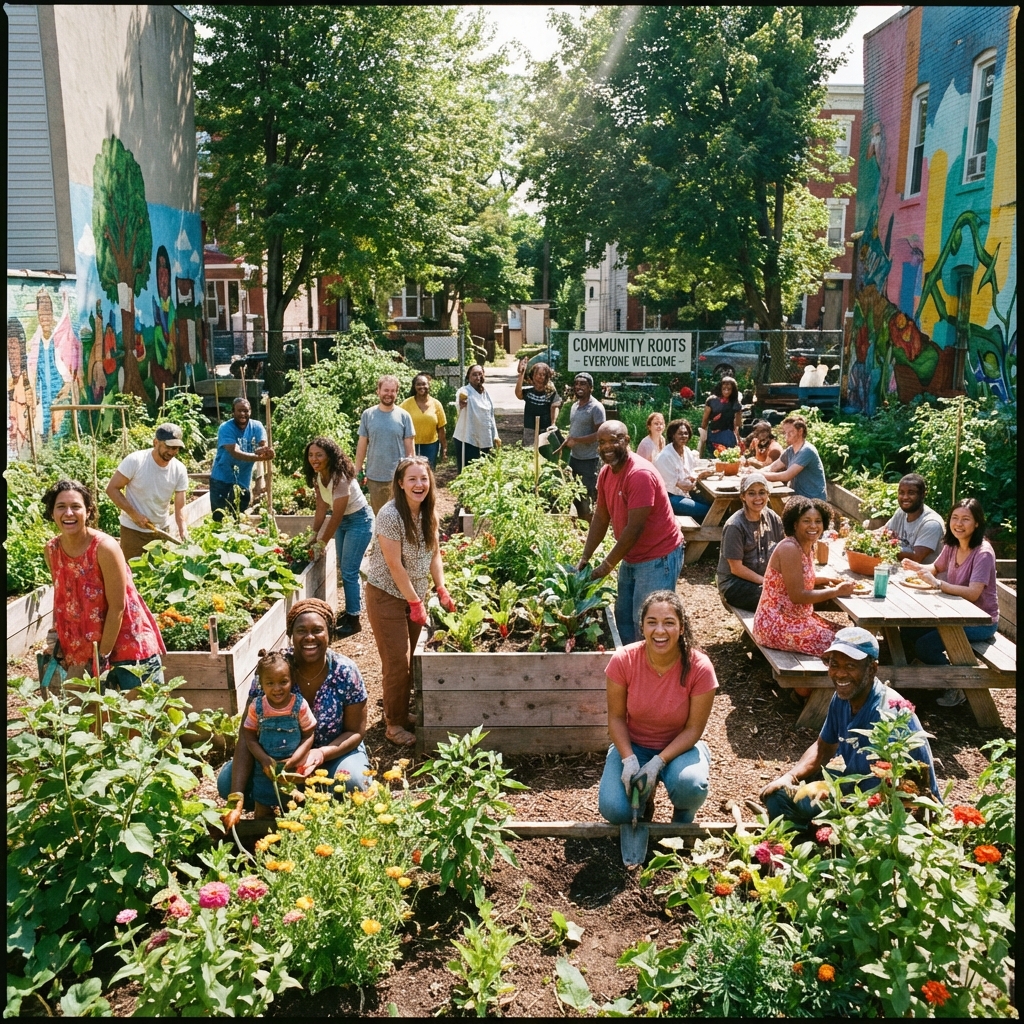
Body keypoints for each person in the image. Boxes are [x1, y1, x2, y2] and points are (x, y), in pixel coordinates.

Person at [760, 627, 939, 827]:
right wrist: (789, 777)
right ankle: (805, 843)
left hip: (891, 814)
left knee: (818, 814)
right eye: (834, 664)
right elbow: (823, 747)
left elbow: (886, 794)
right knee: (778, 796)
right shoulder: (843, 697)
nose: (840, 674)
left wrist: (834, 808)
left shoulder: (887, 715)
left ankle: (821, 840)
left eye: (850, 666)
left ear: (872, 669)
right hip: (852, 790)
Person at [219, 598, 371, 827]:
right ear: (291, 634)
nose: (309, 637)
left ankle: (318, 813)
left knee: (354, 782)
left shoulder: (345, 672)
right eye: (301, 631)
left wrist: (320, 754)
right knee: (227, 782)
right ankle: (283, 803)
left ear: (329, 633)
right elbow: (247, 733)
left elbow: (356, 732)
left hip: (332, 755)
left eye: (317, 630)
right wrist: (236, 796)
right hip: (276, 761)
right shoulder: (273, 670)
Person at [598, 591, 716, 827]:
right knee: (614, 810)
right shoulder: (624, 660)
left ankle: (682, 818)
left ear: (681, 628)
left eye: (669, 623)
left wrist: (658, 762)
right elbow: (617, 718)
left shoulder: (699, 667)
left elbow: (693, 729)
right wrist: (629, 759)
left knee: (690, 787)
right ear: (642, 627)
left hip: (679, 748)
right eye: (652, 622)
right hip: (635, 746)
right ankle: (643, 803)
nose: (660, 631)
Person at [364, 456, 454, 746]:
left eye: (424, 478)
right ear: (400, 484)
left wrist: (440, 588)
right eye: (412, 479)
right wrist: (415, 602)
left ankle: (401, 712)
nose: (419, 484)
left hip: (414, 595)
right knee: (397, 662)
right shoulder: (390, 516)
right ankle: (394, 725)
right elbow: (394, 566)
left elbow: (434, 554)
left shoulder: (429, 512)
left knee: (412, 658)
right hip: (386, 595)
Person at [42, 480, 165, 691]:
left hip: (127, 646)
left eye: (76, 507)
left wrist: (101, 658)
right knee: (93, 721)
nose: (68, 513)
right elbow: (65, 595)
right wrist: (59, 635)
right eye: (61, 507)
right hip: (85, 652)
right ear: (52, 512)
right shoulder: (52, 550)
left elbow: (118, 607)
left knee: (140, 720)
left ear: (88, 512)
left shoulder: (104, 548)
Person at [576, 421, 684, 645]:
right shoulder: (607, 472)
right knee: (624, 619)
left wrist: (606, 566)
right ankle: (632, 670)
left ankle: (657, 673)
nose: (607, 446)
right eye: (602, 442)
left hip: (658, 555)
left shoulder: (639, 474)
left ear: (626, 441)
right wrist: (585, 557)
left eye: (614, 440)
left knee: (649, 621)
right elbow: (600, 517)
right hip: (633, 555)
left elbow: (634, 529)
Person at [901, 498, 999, 707]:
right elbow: (935, 568)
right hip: (954, 612)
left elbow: (973, 593)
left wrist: (938, 585)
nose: (958, 524)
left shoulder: (983, 553)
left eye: (965, 519)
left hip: (981, 622)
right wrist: (915, 566)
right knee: (908, 631)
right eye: (955, 518)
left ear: (977, 523)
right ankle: (929, 674)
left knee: (925, 646)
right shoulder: (953, 544)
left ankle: (957, 685)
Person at [753, 496, 856, 696]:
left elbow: (798, 579)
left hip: (797, 618)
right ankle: (809, 693)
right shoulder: (790, 548)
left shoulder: (807, 545)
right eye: (806, 521)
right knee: (844, 647)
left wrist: (825, 580)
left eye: (818, 521)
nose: (813, 526)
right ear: (795, 523)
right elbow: (798, 595)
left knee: (849, 636)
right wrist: (836, 592)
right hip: (776, 623)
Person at [305, 436, 374, 639]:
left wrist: (322, 542)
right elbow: (321, 508)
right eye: (310, 455)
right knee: (345, 568)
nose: (314, 459)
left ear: (330, 456)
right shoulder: (319, 476)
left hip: (360, 521)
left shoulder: (339, 477)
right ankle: (352, 610)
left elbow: (335, 515)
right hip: (345, 522)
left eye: (319, 455)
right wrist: (313, 534)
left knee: (349, 571)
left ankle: (354, 621)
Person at [242, 650, 317, 817]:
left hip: (293, 768)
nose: (277, 689)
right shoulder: (257, 707)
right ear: (260, 683)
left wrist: (296, 759)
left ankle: (294, 839)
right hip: (265, 768)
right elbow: (249, 736)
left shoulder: (299, 705)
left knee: (296, 807)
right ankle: (262, 837)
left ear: (292, 680)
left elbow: (309, 735)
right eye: (270, 683)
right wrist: (262, 758)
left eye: (283, 682)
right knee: (262, 806)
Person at [106, 423, 190, 560]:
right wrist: (135, 515)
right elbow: (112, 489)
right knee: (132, 574)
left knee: (158, 576)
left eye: (176, 448)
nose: (172, 452)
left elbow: (180, 505)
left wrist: (182, 529)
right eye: (168, 447)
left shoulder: (179, 469)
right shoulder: (136, 461)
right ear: (156, 442)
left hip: (161, 531)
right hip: (133, 531)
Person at [716, 471, 785, 611]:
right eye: (751, 493)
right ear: (743, 497)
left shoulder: (773, 518)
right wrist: (767, 582)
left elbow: (784, 550)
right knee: (776, 601)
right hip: (735, 584)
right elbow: (736, 568)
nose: (758, 498)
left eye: (762, 492)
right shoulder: (735, 525)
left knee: (793, 595)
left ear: (768, 494)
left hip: (762, 579)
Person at [355, 375, 415, 514]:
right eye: (385, 390)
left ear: (396, 393)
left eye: (392, 391)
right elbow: (362, 444)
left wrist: (410, 473)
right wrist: (358, 470)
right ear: (378, 391)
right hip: (375, 476)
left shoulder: (404, 416)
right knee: (379, 515)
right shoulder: (368, 415)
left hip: (398, 477)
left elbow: (410, 451)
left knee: (401, 514)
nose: (389, 394)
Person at [209, 398, 275, 522]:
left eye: (246, 411)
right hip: (221, 478)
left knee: (239, 517)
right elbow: (235, 452)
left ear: (250, 411)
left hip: (242, 480)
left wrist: (265, 452)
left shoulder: (257, 426)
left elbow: (262, 445)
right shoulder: (226, 428)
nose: (243, 414)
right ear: (233, 412)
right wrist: (258, 458)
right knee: (219, 517)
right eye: (239, 411)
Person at [564, 372, 606, 523]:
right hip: (574, 458)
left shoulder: (596, 407)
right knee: (574, 494)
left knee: (586, 499)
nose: (578, 387)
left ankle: (590, 531)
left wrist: (576, 440)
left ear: (591, 388)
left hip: (590, 460)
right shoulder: (575, 406)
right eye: (576, 384)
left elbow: (600, 434)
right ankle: (581, 532)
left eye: (583, 384)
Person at [654, 419, 713, 520]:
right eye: (680, 433)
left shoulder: (687, 451)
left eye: (686, 433)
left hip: (686, 493)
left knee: (713, 503)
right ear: (673, 435)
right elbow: (684, 485)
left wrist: (701, 474)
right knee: (708, 511)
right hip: (669, 498)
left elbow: (692, 472)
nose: (684, 436)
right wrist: (697, 477)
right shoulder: (665, 456)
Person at [762, 415, 828, 501]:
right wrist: (753, 472)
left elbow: (787, 476)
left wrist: (760, 475)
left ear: (800, 431)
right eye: (785, 433)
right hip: (798, 498)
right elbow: (773, 467)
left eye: (790, 432)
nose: (787, 436)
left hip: (813, 501)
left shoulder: (807, 450)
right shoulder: (790, 450)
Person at [883, 473, 945, 564]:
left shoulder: (931, 523)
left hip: (924, 576)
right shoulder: (901, 513)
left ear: (923, 495)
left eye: (911, 493)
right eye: (901, 492)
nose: (905, 497)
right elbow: (883, 532)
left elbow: (916, 558)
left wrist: (882, 549)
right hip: (901, 571)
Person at [452, 364, 500, 471]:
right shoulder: (464, 390)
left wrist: (495, 434)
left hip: (484, 438)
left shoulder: (485, 393)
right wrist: (461, 401)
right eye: (474, 374)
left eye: (480, 374)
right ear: (468, 376)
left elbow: (490, 416)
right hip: (467, 438)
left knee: (483, 469)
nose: (478, 377)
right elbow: (460, 400)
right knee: (468, 470)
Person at [400, 374, 447, 468]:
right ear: (414, 386)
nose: (422, 387)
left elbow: (441, 429)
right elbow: (399, 425)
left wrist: (444, 449)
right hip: (411, 444)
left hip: (431, 445)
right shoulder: (406, 404)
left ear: (429, 385)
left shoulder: (436, 404)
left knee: (428, 471)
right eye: (418, 384)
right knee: (410, 470)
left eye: (424, 384)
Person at [515, 358, 562, 448]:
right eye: (538, 374)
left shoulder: (551, 393)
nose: (541, 376)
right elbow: (518, 394)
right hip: (529, 428)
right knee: (528, 450)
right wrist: (522, 373)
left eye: (544, 374)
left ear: (547, 377)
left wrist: (553, 423)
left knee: (544, 452)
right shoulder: (529, 392)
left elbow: (554, 407)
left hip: (545, 429)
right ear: (533, 375)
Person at [699, 376, 743, 453]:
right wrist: (703, 434)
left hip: (728, 435)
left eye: (729, 389)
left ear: (733, 390)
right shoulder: (711, 400)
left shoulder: (735, 403)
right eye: (724, 389)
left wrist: (739, 411)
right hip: (713, 434)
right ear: (720, 388)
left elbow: (738, 424)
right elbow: (705, 421)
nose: (726, 391)